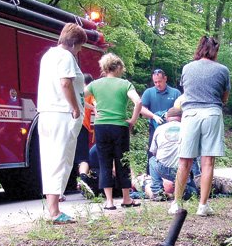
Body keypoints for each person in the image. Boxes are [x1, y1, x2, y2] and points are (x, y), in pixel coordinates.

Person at [170, 36, 230, 216]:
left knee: (184, 160)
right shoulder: (223, 70)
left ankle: (176, 203)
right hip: (212, 113)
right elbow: (224, 98)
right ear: (214, 51)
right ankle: (203, 205)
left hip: (190, 114)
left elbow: (186, 91)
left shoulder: (187, 68)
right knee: (208, 161)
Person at [37, 23, 87, 224]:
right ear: (74, 43)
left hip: (46, 113)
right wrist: (75, 107)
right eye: (80, 46)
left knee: (50, 159)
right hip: (61, 113)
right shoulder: (66, 56)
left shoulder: (48, 55)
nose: (81, 50)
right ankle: (55, 212)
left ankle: (52, 208)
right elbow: (65, 83)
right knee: (61, 160)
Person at [86, 53, 142, 210]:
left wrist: (93, 108)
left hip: (101, 127)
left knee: (104, 163)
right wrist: (132, 120)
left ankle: (109, 201)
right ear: (117, 67)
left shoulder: (95, 84)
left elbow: (79, 96)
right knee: (122, 162)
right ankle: (126, 199)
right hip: (120, 127)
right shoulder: (125, 84)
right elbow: (138, 101)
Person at [149, 107, 198, 201]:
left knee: (152, 160)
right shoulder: (189, 129)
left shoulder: (159, 129)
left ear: (167, 117)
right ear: (182, 117)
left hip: (164, 169)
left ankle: (157, 190)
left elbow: (153, 152)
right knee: (194, 192)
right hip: (184, 168)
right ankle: (185, 189)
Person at [141, 68, 181, 174]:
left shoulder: (175, 93)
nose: (157, 84)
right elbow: (141, 109)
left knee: (173, 153)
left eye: (160, 81)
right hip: (155, 128)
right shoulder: (149, 92)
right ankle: (151, 176)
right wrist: (153, 116)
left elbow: (180, 110)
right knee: (152, 152)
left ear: (165, 79)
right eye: (155, 82)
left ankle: (173, 176)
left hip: (174, 130)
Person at [74, 73, 96, 199]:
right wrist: (95, 109)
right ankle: (83, 179)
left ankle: (58, 193)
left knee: (66, 158)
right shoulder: (90, 93)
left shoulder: (74, 92)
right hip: (82, 126)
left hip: (68, 125)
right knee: (83, 157)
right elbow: (95, 104)